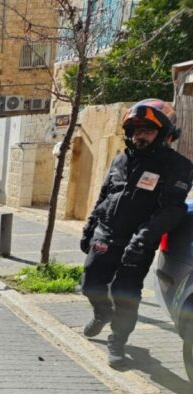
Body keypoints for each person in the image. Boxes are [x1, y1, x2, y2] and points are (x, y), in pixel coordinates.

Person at [80, 99, 193, 368]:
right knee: (90, 284)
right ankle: (101, 313)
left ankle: (117, 342)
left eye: (147, 130)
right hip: (105, 234)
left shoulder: (178, 166)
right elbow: (105, 196)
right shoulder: (120, 160)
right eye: (136, 130)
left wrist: (142, 239)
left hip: (138, 242)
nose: (140, 135)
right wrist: (90, 227)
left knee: (126, 294)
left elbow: (172, 209)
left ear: (165, 134)